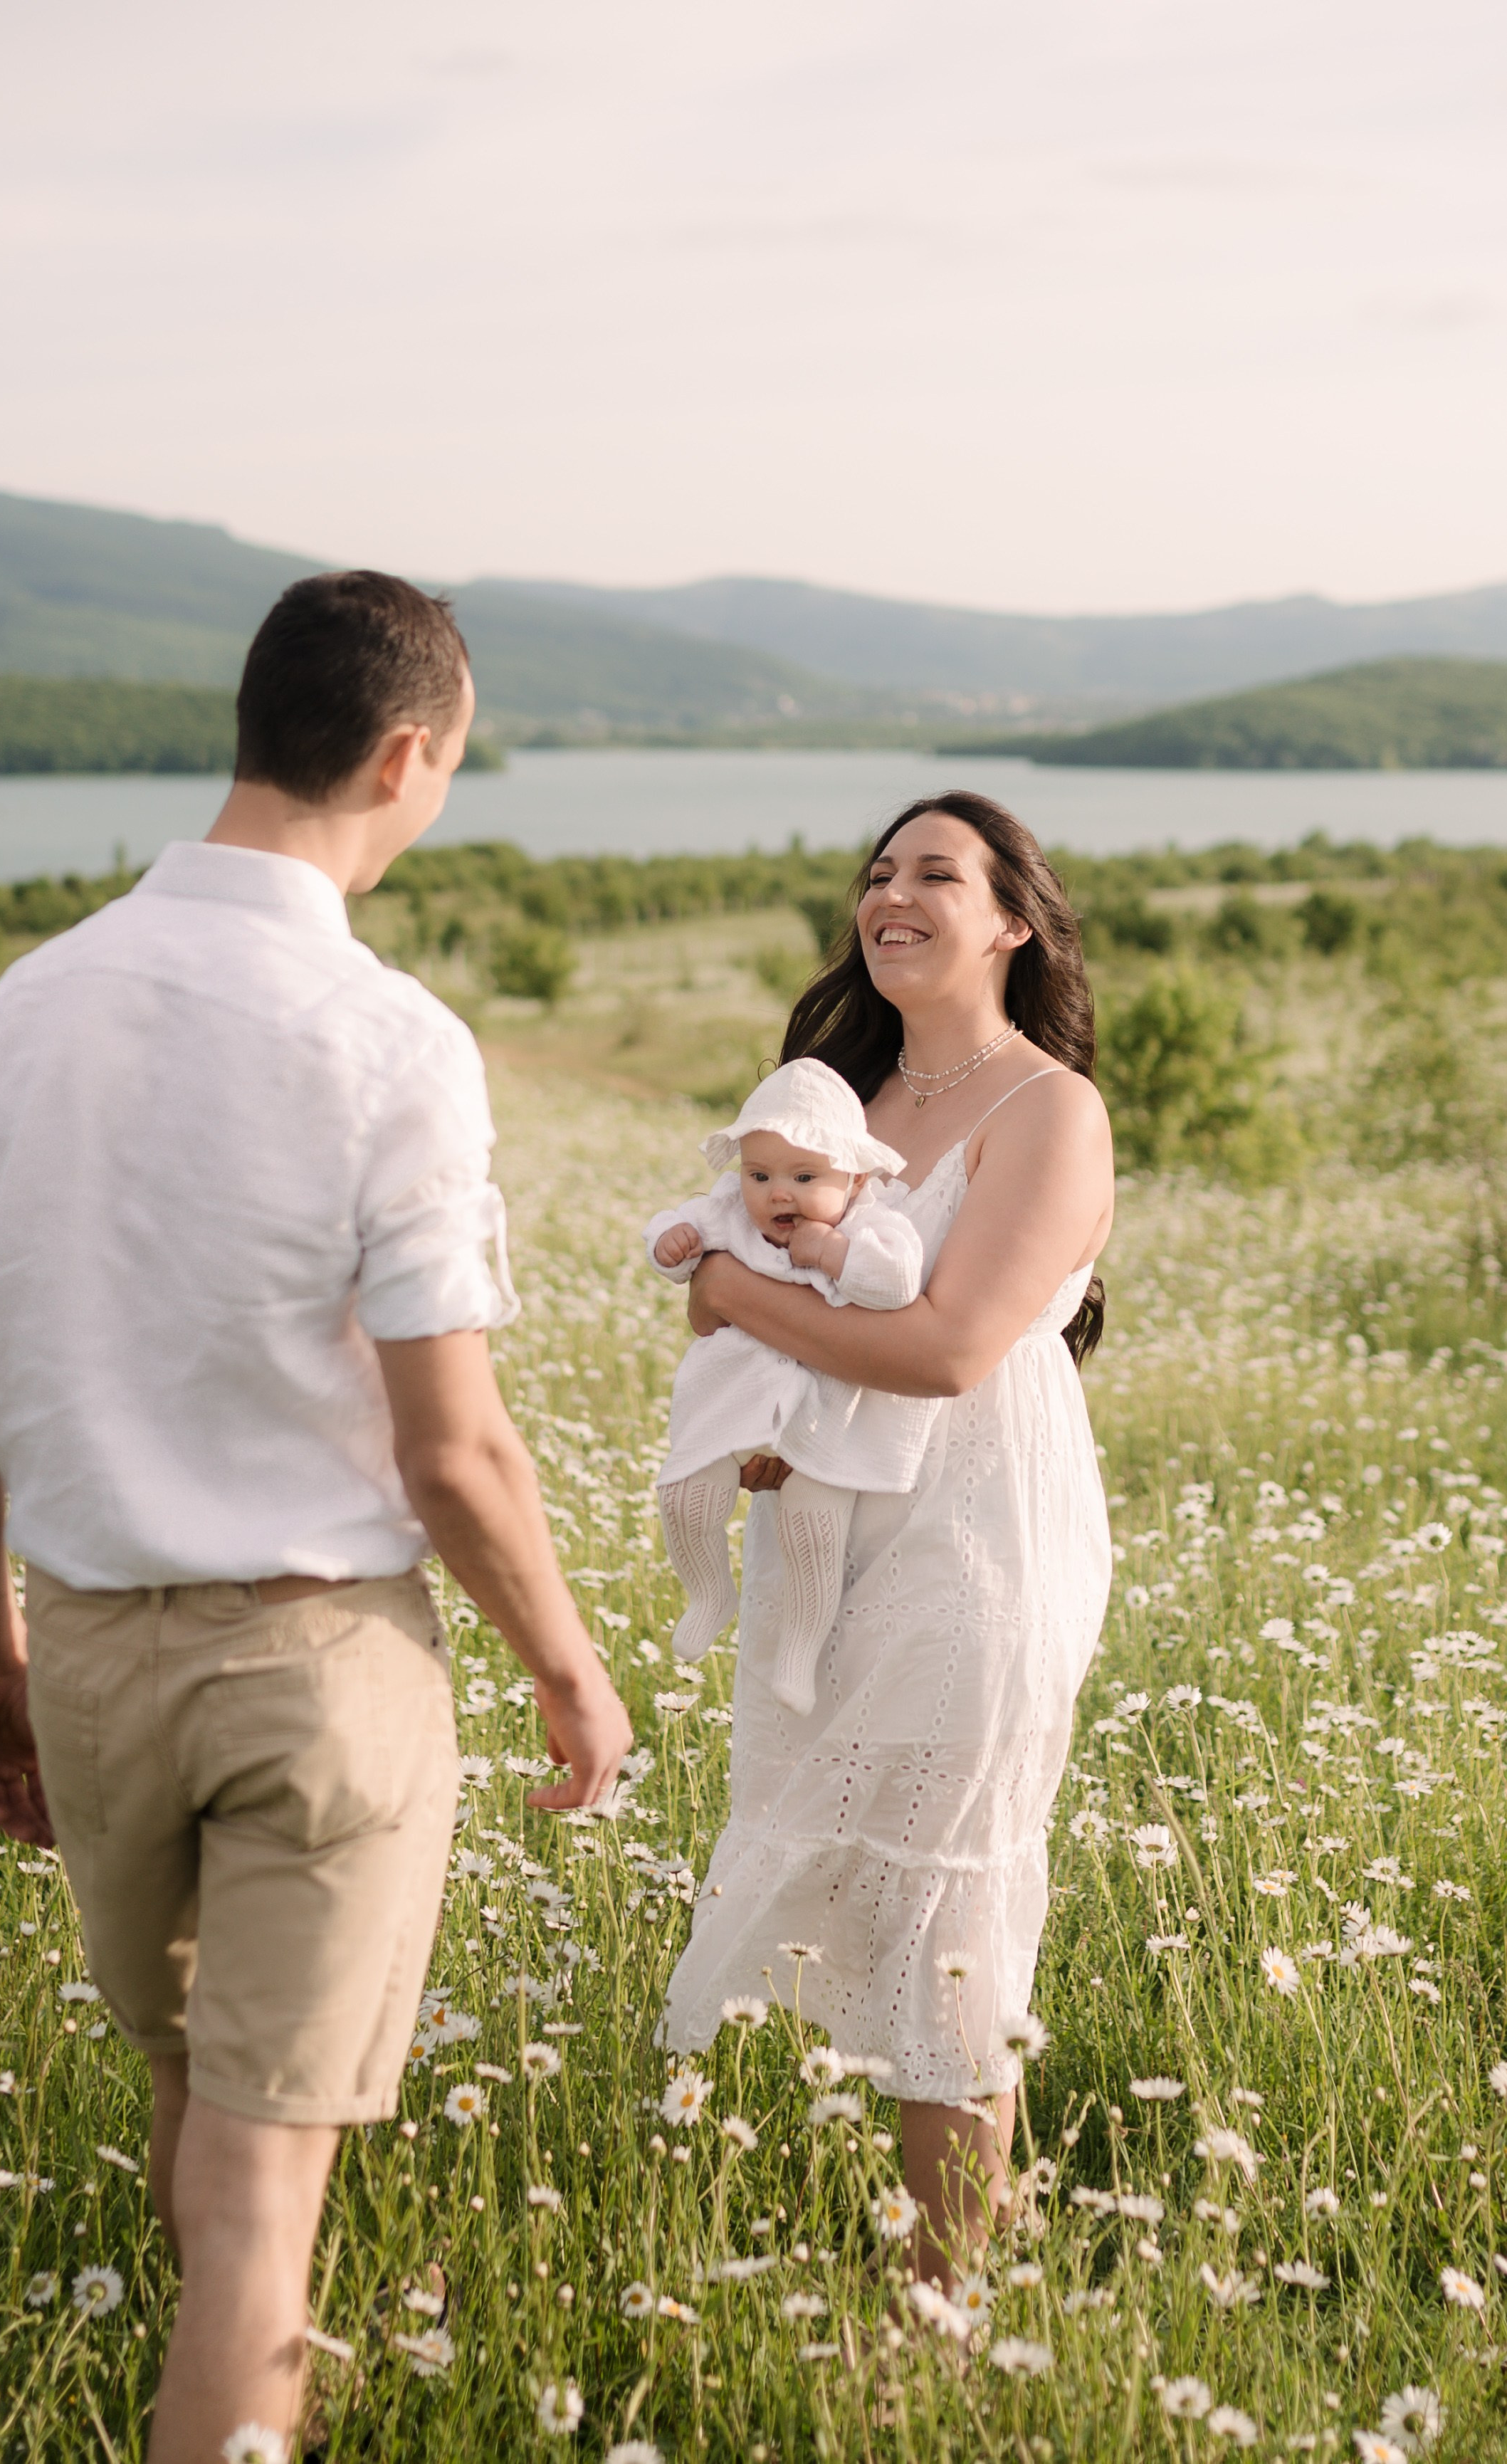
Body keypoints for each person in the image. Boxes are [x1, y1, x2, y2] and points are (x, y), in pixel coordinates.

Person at [0, 572, 631, 2463]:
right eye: (449, 767)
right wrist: (566, 1660)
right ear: (404, 754)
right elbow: (454, 1447)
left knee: (203, 2118)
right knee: (257, 2191)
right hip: (316, 1669)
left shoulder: (22, 1011)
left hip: (99, 1660)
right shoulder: (389, 1038)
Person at [659, 790, 1113, 2282]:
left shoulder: (1047, 1106)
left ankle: (949, 2307)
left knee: (952, 1902)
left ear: (1014, 920)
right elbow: (744, 1246)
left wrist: (732, 1300)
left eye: (936, 872)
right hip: (837, 1537)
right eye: (876, 871)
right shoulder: (838, 1093)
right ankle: (967, 2260)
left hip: (979, 1532)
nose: (891, 894)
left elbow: (941, 1346)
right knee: (886, 1901)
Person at [644, 1058, 937, 1713]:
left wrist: (831, 1252)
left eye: (804, 1178)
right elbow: (677, 1234)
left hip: (828, 1412)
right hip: (736, 1399)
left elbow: (895, 1282)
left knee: (813, 1530)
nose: (779, 1194)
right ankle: (707, 1592)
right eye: (760, 1176)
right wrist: (672, 1242)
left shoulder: (871, 1223)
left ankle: (799, 1652)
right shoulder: (730, 1213)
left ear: (854, 1177)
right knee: (686, 1492)